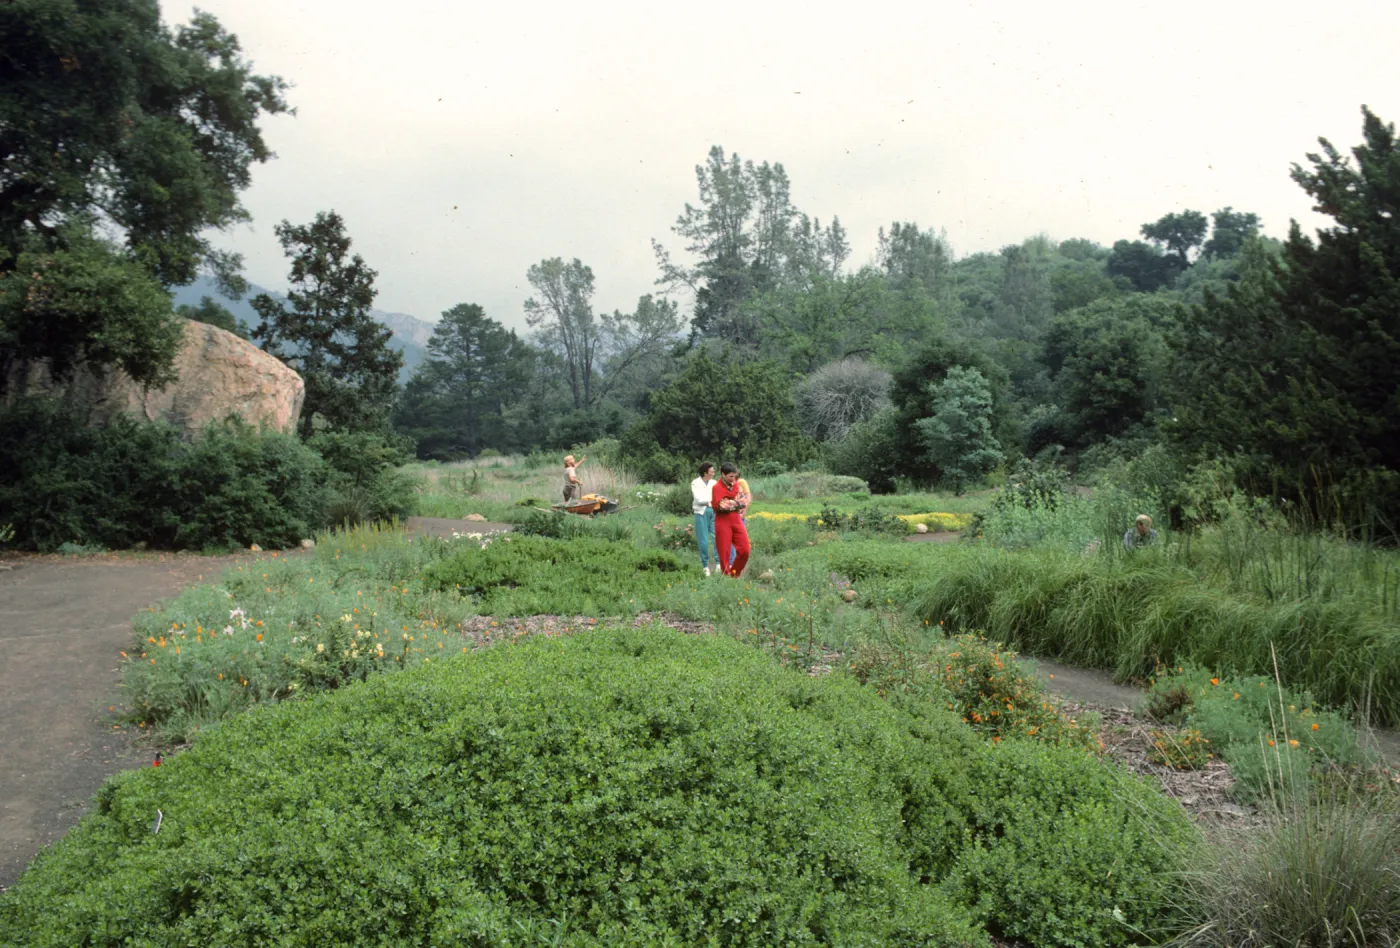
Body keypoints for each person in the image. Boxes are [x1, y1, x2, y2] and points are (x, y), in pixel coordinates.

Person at [712, 462, 751, 578]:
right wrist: (735, 503)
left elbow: (743, 502)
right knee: (724, 552)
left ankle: (734, 573)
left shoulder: (736, 486)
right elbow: (720, 505)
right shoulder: (716, 488)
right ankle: (727, 578)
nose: (733, 479)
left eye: (734, 476)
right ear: (723, 474)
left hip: (736, 519)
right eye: (730, 476)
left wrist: (730, 502)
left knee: (745, 550)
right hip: (722, 520)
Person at [690, 462, 718, 575]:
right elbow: (698, 499)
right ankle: (705, 565)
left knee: (717, 537)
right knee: (703, 540)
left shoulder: (714, 483)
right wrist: (711, 500)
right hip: (700, 512)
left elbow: (717, 496)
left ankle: (719, 563)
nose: (714, 473)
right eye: (712, 471)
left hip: (714, 511)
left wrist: (710, 501)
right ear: (705, 472)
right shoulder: (695, 483)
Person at [728, 471, 751, 570]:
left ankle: (739, 562)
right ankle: (732, 563)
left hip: (739, 516)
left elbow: (748, 498)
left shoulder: (742, 483)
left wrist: (743, 513)